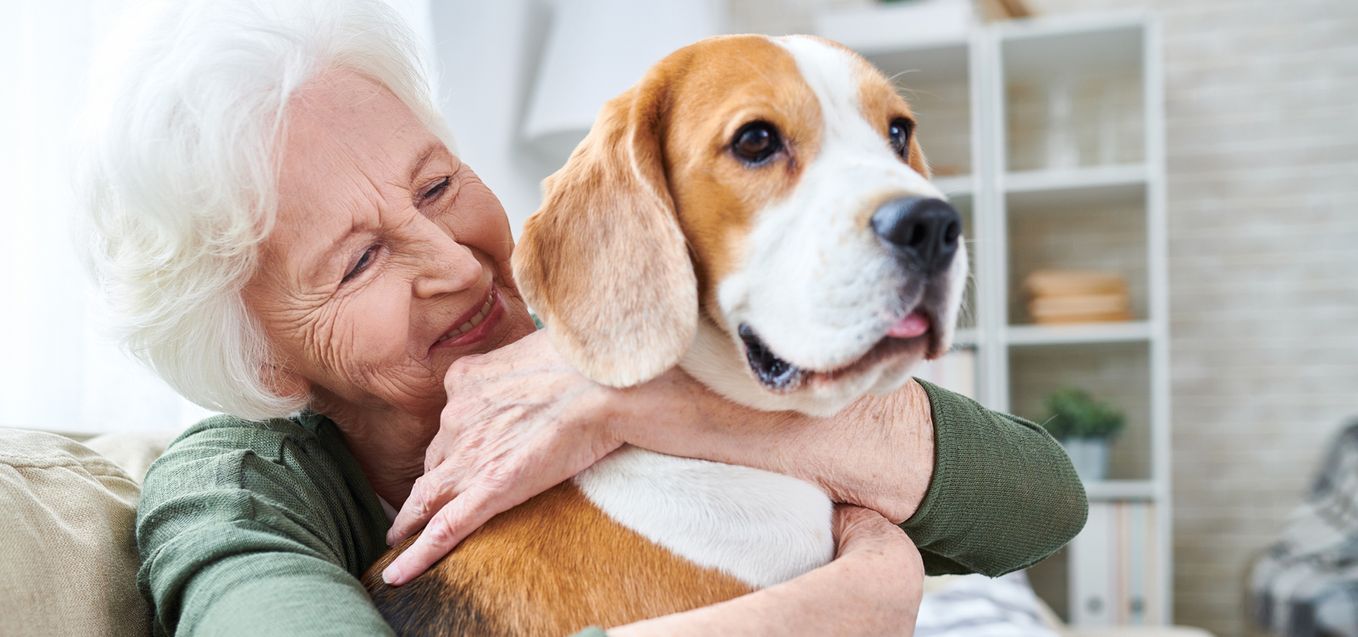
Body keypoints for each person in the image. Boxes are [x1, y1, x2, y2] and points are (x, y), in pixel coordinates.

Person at [78, 1, 1086, 635]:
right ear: (265, 364)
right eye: (359, 259)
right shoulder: (234, 489)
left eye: (434, 186)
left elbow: (1040, 501)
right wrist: (852, 599)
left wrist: (633, 404)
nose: (452, 262)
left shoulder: (624, 331)